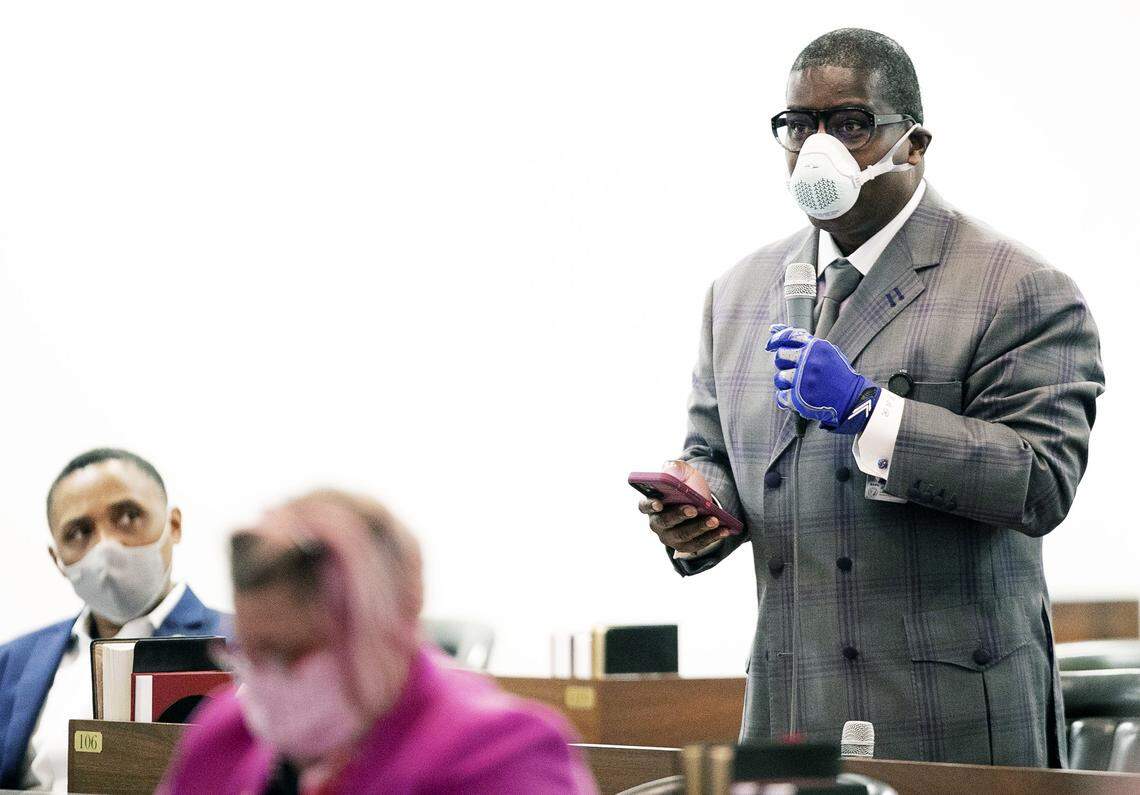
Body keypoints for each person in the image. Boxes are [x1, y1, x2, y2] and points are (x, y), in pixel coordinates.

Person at [637, 28, 1103, 767]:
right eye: (800, 126)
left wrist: (870, 413)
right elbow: (715, 454)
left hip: (946, 722)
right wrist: (698, 506)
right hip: (790, 709)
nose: (818, 146)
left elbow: (1041, 480)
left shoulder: (1016, 288)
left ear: (914, 143)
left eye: (850, 124)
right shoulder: (737, 294)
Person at [160, 489, 597, 794]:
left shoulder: (500, 754)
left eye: (292, 655)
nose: (268, 683)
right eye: (250, 655)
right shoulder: (223, 734)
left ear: (388, 632)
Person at [0, 448, 229, 791]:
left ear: (174, 525)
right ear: (57, 558)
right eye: (78, 533)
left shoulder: (248, 649)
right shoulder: (11, 664)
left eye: (127, 516)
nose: (106, 546)